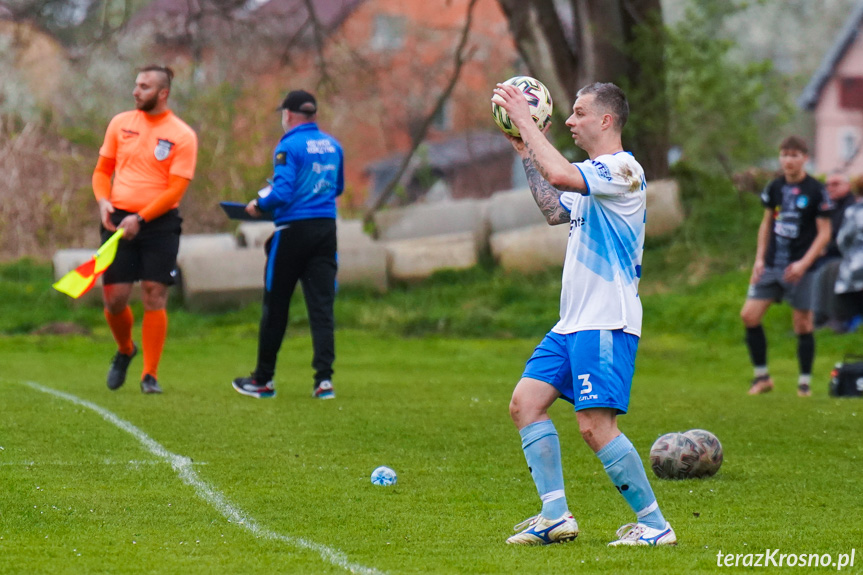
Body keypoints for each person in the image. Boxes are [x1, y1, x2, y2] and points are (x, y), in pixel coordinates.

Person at [491, 81, 675, 546]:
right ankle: (555, 516)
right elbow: (555, 207)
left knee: (595, 427)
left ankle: (655, 526)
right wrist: (524, 149)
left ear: (606, 120)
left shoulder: (622, 169)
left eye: (578, 113)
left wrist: (530, 125)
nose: (569, 121)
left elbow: (561, 178)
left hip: (605, 319)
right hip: (572, 321)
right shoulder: (594, 175)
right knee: (525, 404)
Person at [232, 90, 344, 400]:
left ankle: (263, 380)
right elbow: (339, 186)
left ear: (289, 114)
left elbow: (280, 193)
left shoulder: (288, 145)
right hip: (326, 230)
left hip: (292, 231)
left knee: (276, 306)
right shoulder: (334, 146)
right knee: (321, 308)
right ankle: (324, 381)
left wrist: (259, 203)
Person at [93, 65, 198, 394]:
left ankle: (149, 375)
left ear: (163, 93)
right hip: (117, 219)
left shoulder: (182, 135)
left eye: (144, 87)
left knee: (155, 292)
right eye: (136, 85)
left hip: (160, 222)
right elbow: (101, 171)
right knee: (114, 298)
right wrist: (102, 200)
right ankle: (126, 349)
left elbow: (175, 191)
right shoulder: (120, 123)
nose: (136, 91)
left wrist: (141, 218)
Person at [740, 136, 833, 397]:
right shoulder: (775, 187)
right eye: (784, 155)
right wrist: (759, 259)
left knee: (802, 324)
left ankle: (804, 384)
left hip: (801, 268)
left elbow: (824, 233)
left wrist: (804, 263)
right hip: (771, 265)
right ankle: (762, 378)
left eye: (794, 155)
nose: (788, 160)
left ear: (805, 158)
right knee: (749, 315)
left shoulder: (816, 190)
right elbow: (766, 224)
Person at [812, 171, 856, 330]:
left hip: (844, 256)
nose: (830, 188)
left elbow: (847, 238)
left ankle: (820, 318)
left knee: (826, 271)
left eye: (836, 184)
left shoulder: (852, 209)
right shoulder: (826, 207)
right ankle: (806, 316)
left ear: (848, 186)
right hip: (825, 253)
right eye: (828, 184)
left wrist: (824, 249)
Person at [834, 184, 863, 326]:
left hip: (856, 268)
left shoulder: (854, 211)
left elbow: (842, 240)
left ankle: (851, 323)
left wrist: (851, 256)